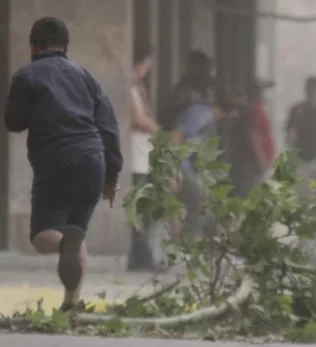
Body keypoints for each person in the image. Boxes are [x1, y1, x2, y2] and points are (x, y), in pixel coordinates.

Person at [4, 17, 122, 311]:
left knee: (44, 235)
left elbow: (13, 122)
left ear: (33, 46)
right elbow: (109, 126)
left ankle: (62, 248)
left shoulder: (27, 76)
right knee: (76, 230)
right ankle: (72, 304)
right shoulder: (86, 76)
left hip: (56, 159)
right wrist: (112, 176)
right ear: (66, 47)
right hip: (94, 160)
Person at [170, 73, 220, 241]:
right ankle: (187, 240)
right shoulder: (198, 113)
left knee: (197, 201)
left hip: (184, 164)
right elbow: (175, 137)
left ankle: (191, 239)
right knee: (199, 201)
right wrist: (172, 170)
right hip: (178, 164)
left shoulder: (201, 114)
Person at [128, 41, 163, 271]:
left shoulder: (138, 88)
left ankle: (143, 255)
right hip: (136, 155)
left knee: (145, 207)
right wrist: (161, 133)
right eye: (146, 64)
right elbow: (138, 119)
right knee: (139, 208)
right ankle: (141, 256)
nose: (147, 69)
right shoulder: (129, 89)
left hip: (144, 153)